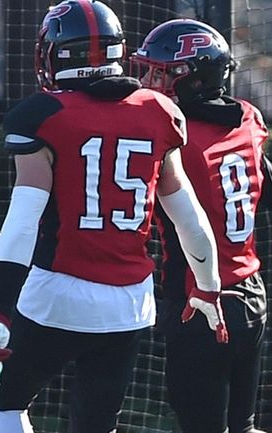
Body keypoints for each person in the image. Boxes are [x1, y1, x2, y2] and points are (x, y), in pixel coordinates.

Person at [0, 1, 225, 432]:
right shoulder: (160, 111)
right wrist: (207, 288)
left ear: (55, 53)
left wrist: (1, 309)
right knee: (97, 422)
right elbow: (188, 215)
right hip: (129, 302)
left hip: (55, 292)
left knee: (2, 397)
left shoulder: (43, 115)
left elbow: (22, 221)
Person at [131, 19, 270, 433]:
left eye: (159, 71)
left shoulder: (171, 136)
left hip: (199, 300)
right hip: (251, 293)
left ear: (191, 80)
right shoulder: (247, 118)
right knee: (241, 426)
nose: (146, 80)